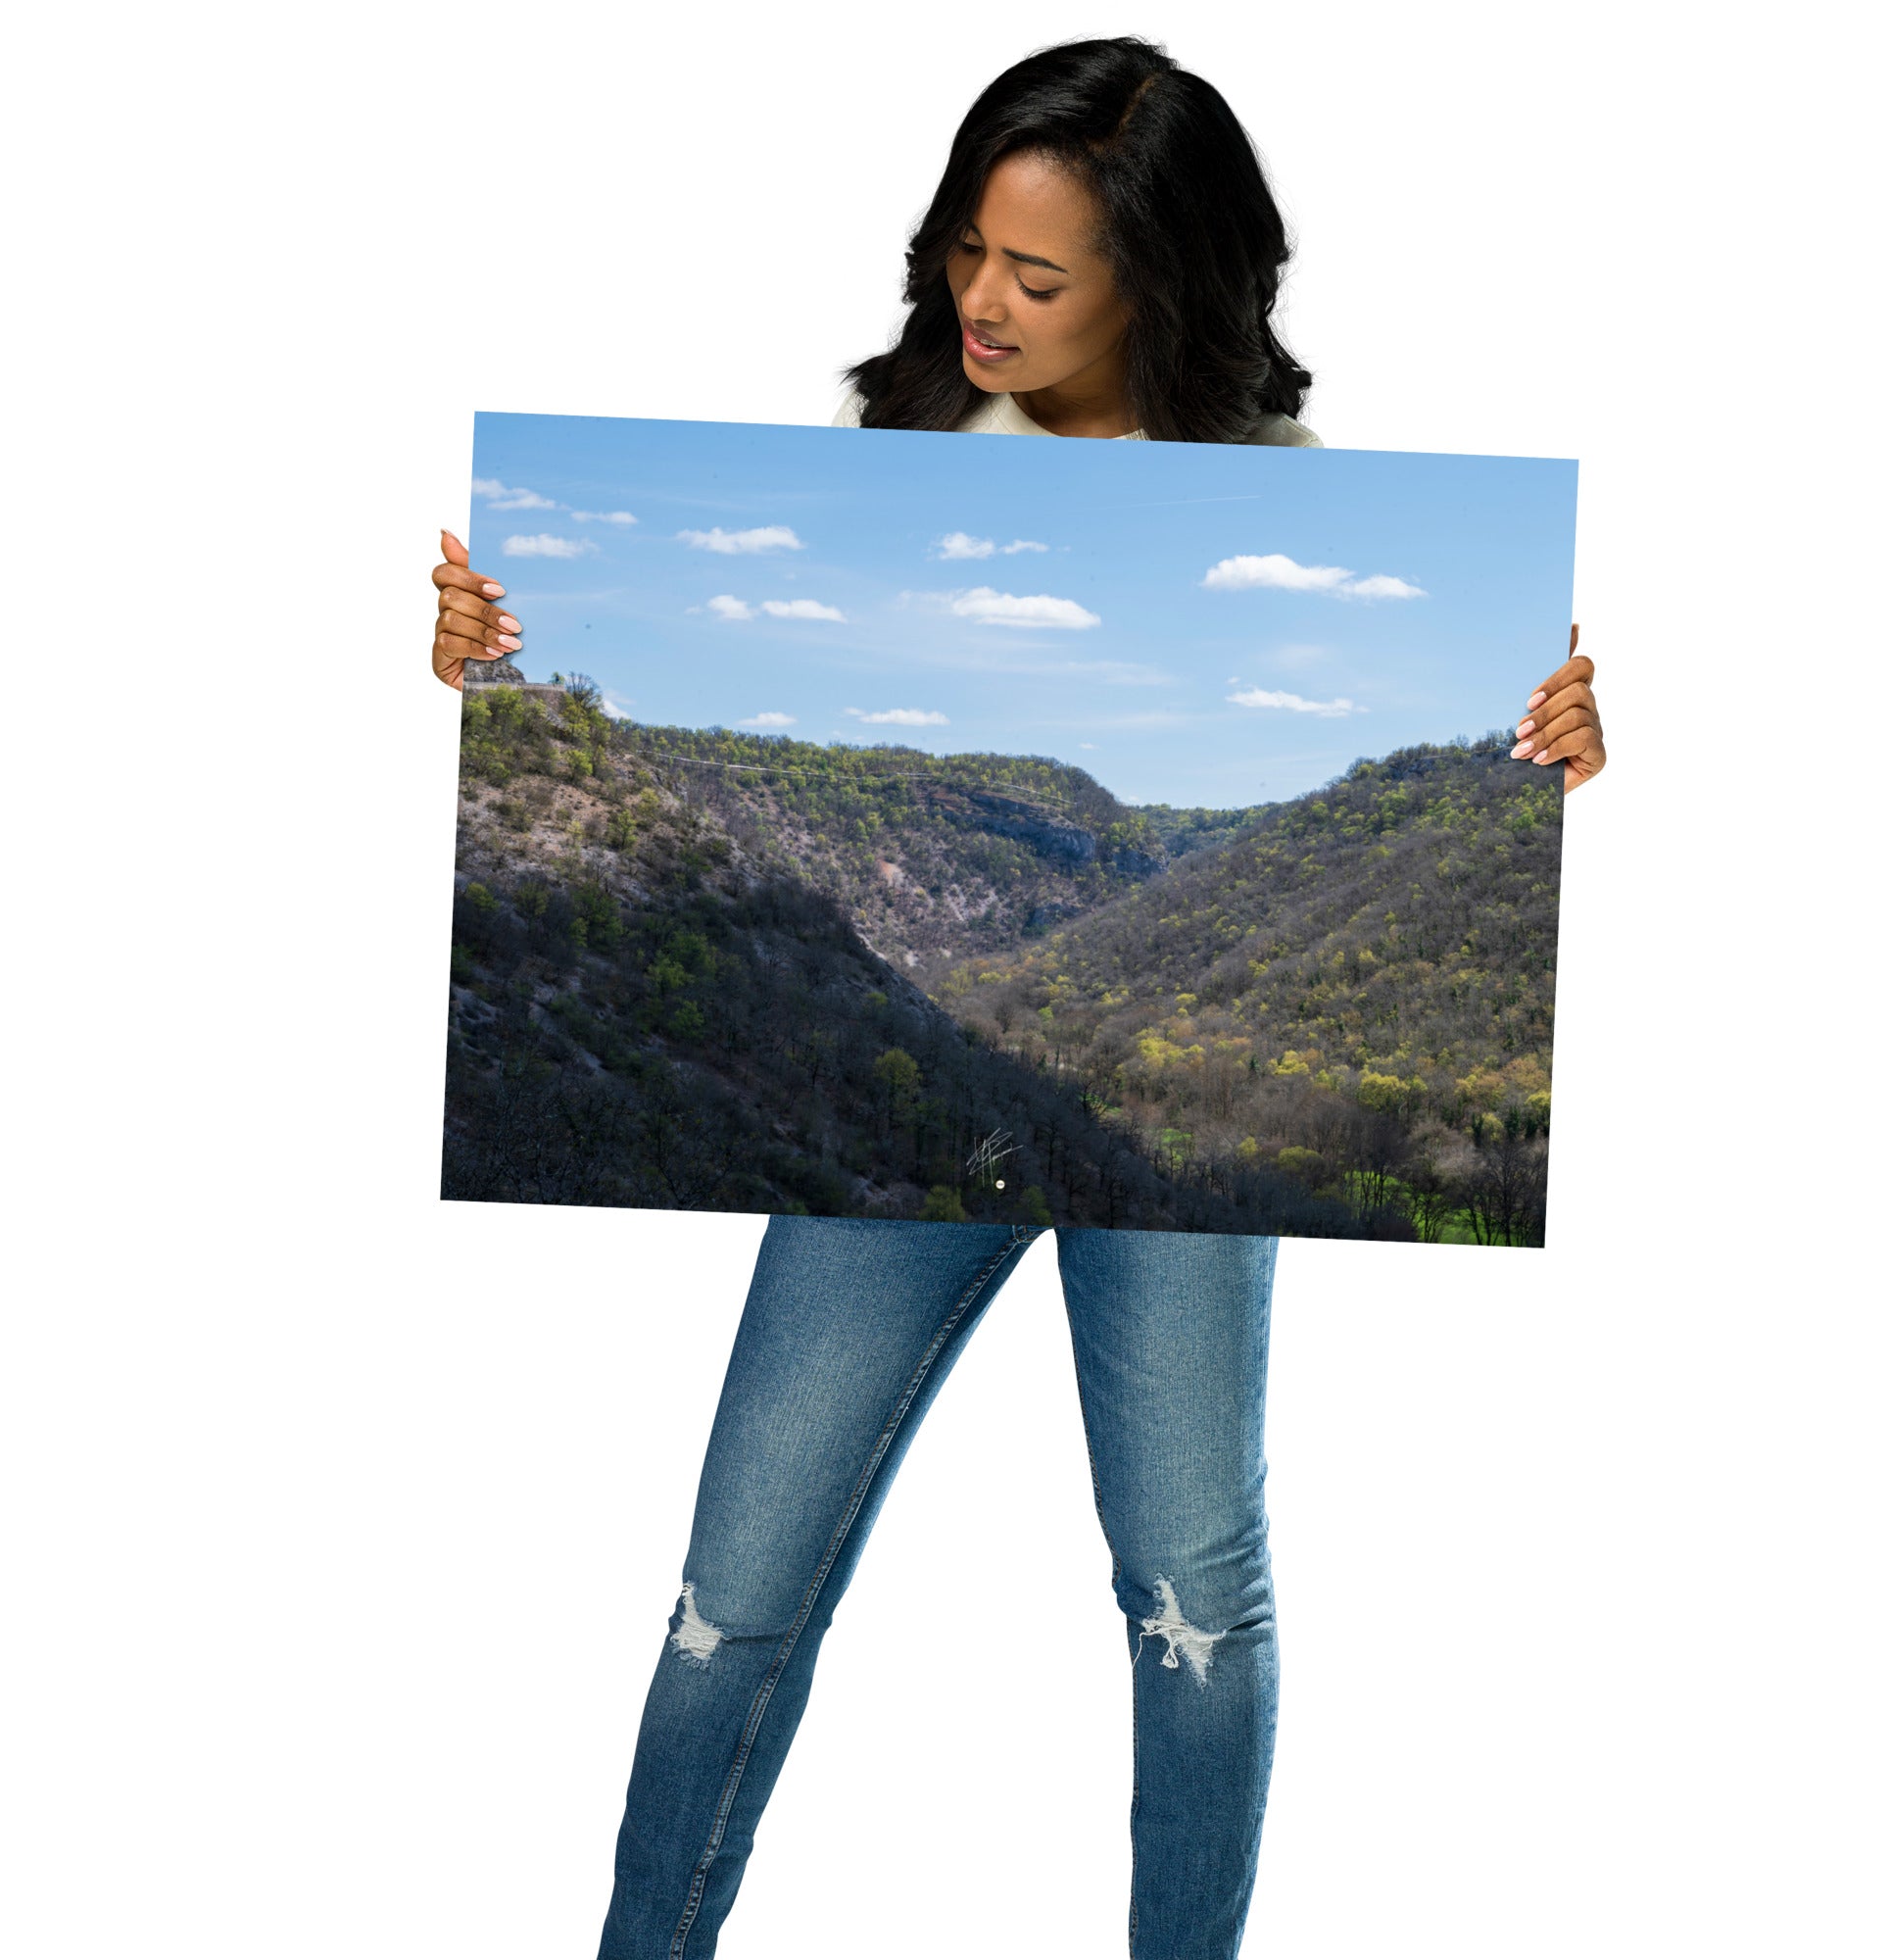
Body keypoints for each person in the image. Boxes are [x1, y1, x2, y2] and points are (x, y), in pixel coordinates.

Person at [426, 37, 1606, 1960]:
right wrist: (485, 655)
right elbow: (631, 651)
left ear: (1165, 278)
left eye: (1038, 276)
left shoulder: (1296, 494)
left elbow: (1466, 759)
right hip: (908, 1112)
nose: (982, 300)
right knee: (735, 1579)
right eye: (968, 249)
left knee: (1190, 1587)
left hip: (1157, 1142)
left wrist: (1549, 748)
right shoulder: (886, 446)